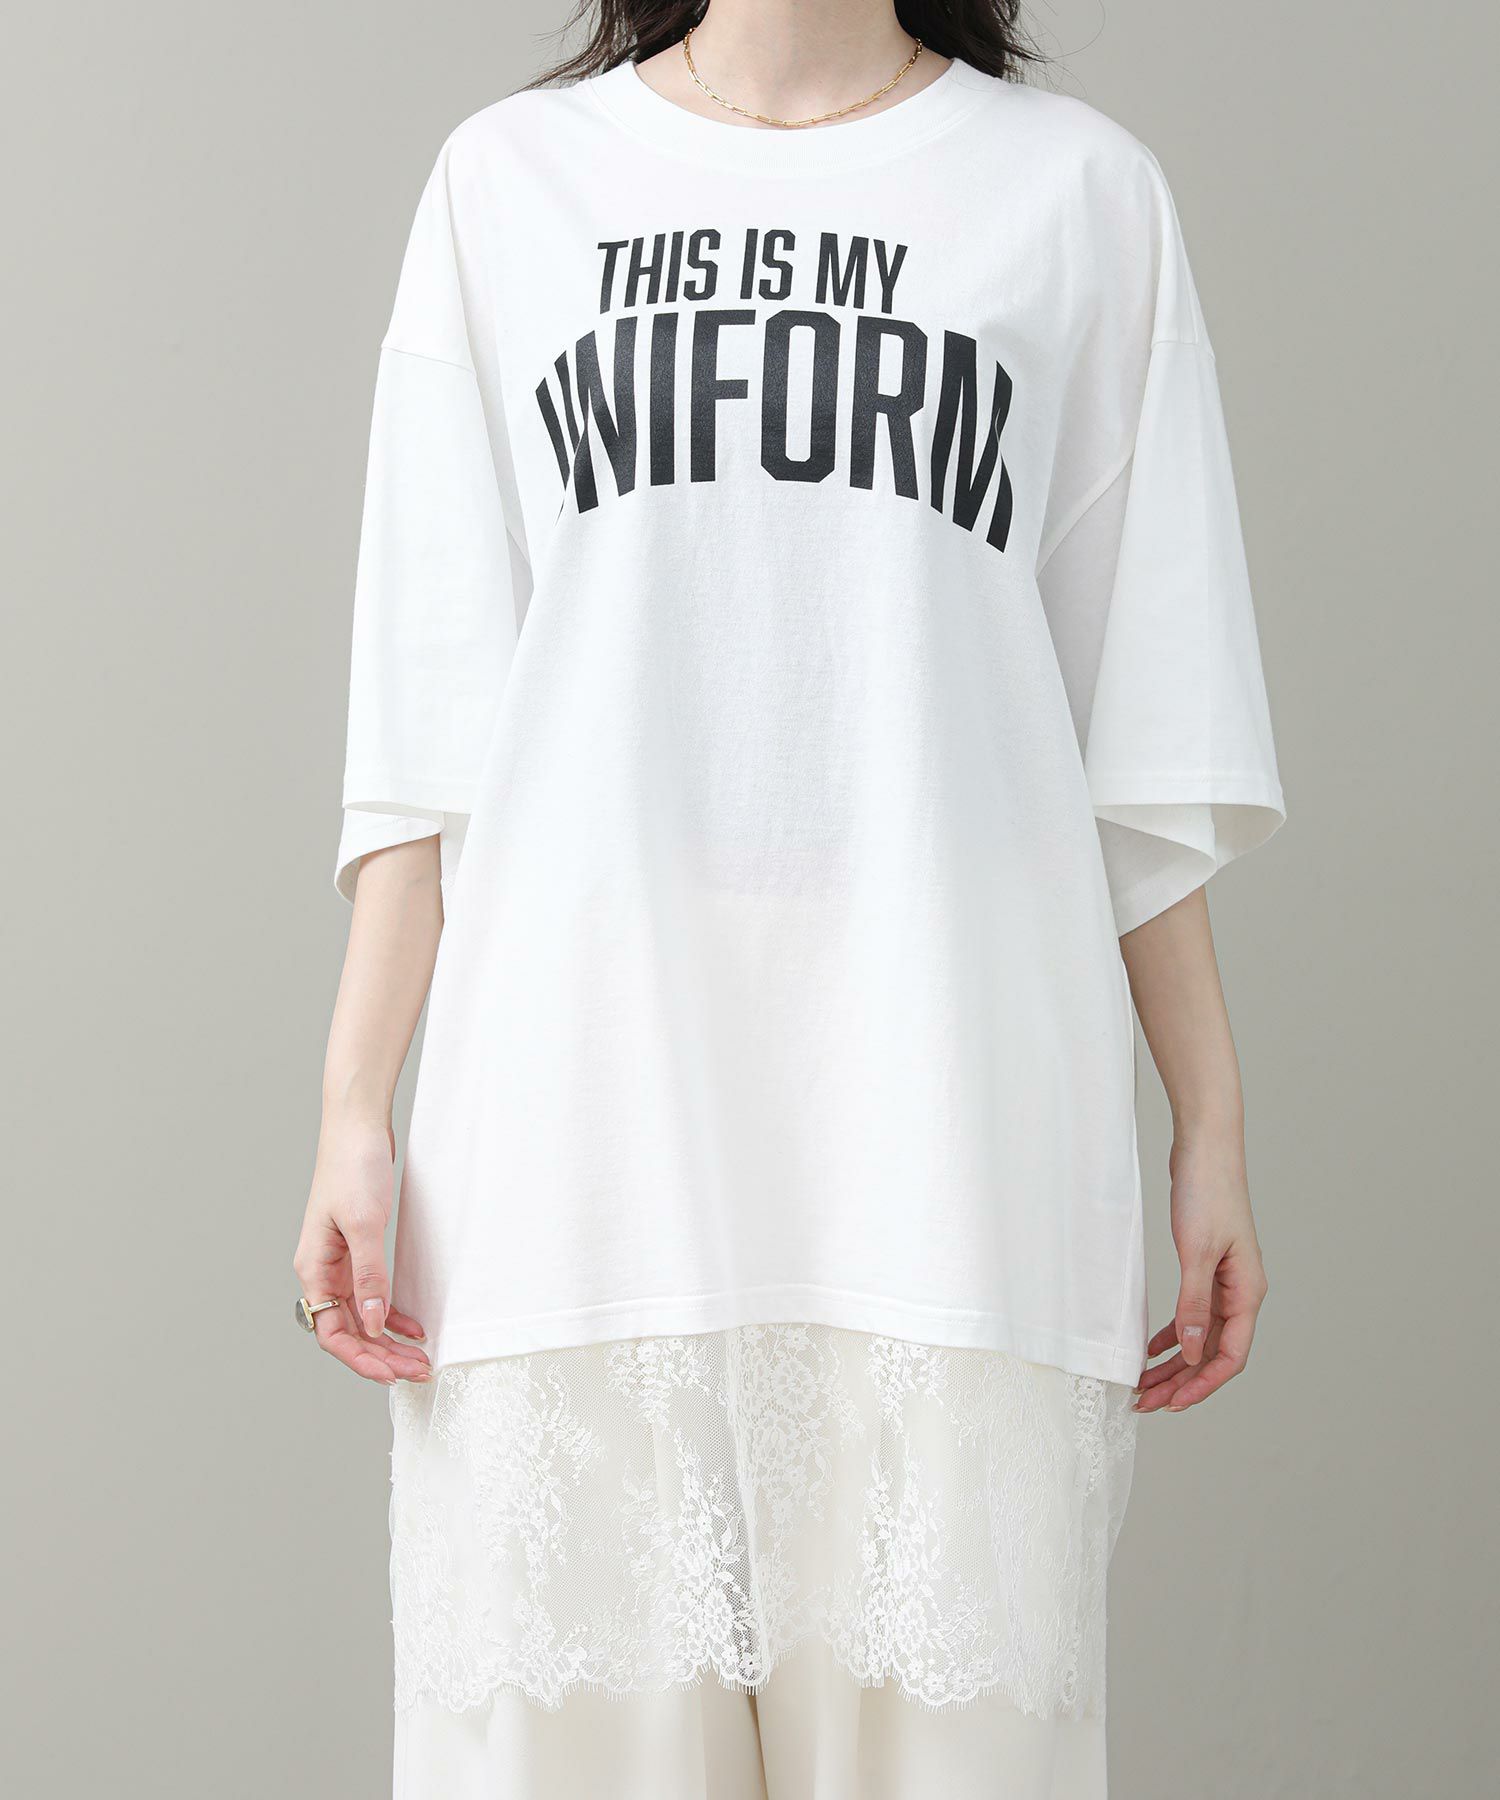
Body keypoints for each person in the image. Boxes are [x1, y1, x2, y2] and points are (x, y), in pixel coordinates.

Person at [293, 2, 1284, 1793]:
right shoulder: (511, 186)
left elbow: (1133, 719)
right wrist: (355, 1110)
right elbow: (432, 717)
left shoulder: (1075, 198)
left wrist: (1209, 1122)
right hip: (577, 1140)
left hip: (947, 1136)